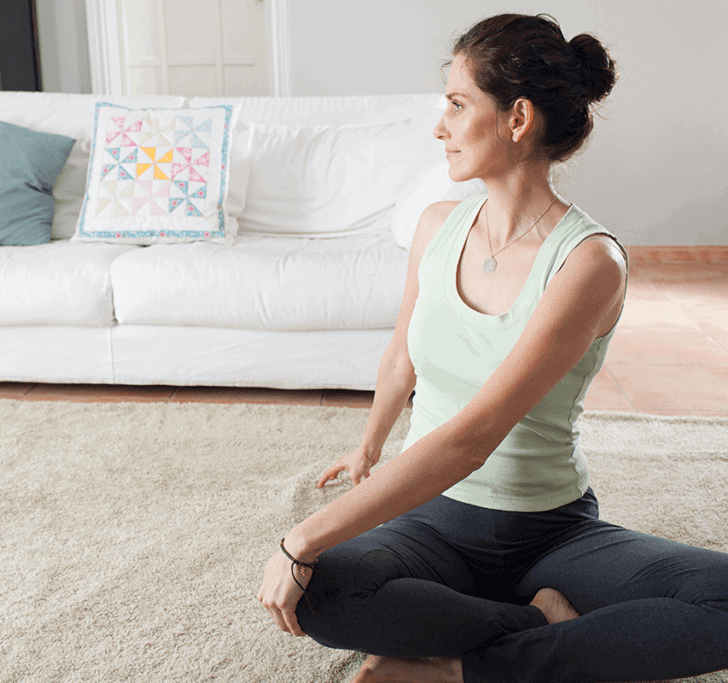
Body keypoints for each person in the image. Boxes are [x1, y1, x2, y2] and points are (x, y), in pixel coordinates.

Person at [256, 13, 728, 683]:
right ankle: (537, 623)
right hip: (430, 522)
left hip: (548, 531)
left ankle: (464, 666)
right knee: (319, 592)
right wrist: (367, 448)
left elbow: (473, 437)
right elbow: (400, 357)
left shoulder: (587, 263)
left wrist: (302, 535)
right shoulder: (437, 226)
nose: (439, 127)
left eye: (457, 104)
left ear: (518, 118)